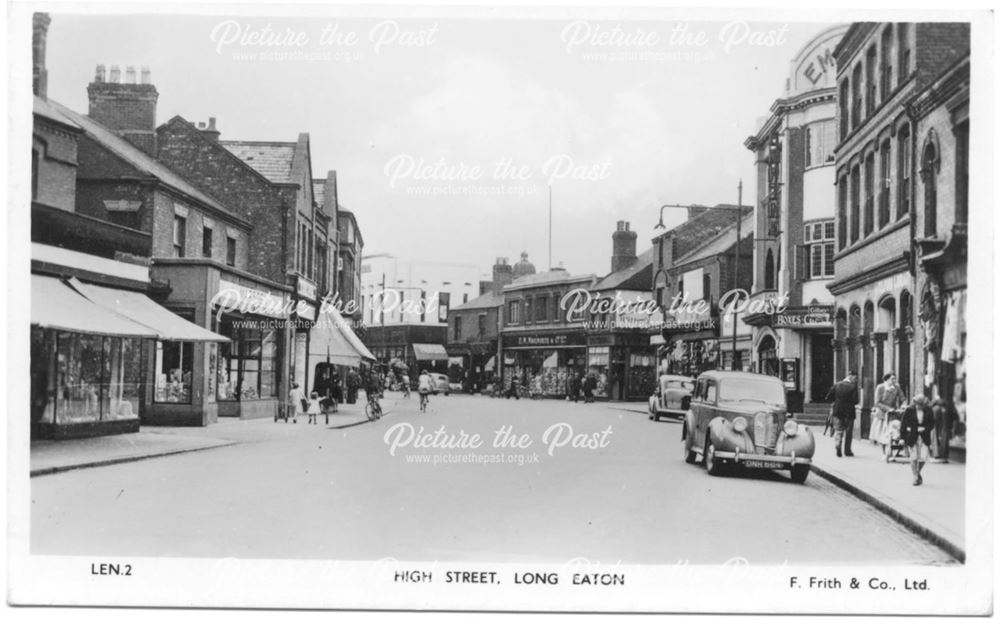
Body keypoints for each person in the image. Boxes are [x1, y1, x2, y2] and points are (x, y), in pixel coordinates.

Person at [901, 394, 934, 485]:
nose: (919, 406)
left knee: (923, 457)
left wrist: (925, 428)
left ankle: (917, 473)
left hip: (924, 437)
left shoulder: (928, 410)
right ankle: (915, 477)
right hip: (912, 436)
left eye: (921, 405)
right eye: (917, 404)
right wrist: (902, 438)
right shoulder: (909, 410)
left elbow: (932, 424)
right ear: (914, 403)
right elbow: (903, 424)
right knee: (913, 457)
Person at [825, 371, 859, 457]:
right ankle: (847, 451)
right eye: (855, 378)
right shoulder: (853, 387)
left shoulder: (837, 384)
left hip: (837, 411)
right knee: (848, 432)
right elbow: (855, 400)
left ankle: (838, 445)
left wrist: (836, 402)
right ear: (850, 376)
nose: (856, 380)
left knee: (838, 429)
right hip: (849, 412)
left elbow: (828, 397)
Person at [871, 373, 905, 450]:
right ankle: (884, 452)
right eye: (892, 379)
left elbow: (903, 398)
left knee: (893, 433)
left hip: (892, 414)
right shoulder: (880, 387)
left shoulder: (896, 388)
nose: (894, 381)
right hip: (882, 414)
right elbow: (877, 402)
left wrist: (903, 405)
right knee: (883, 435)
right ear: (886, 379)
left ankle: (893, 450)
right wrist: (888, 409)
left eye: (895, 379)